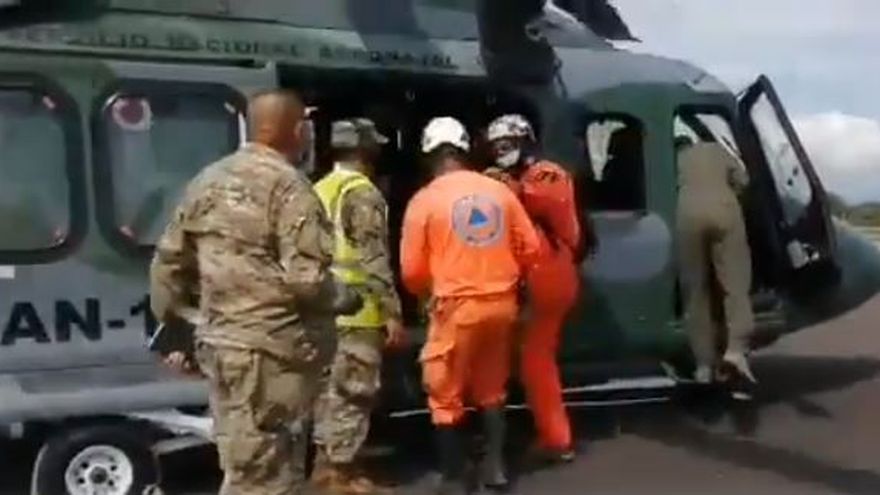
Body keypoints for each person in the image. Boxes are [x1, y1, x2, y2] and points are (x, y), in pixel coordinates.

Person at [150, 89, 359, 495]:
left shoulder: (207, 181)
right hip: (271, 357)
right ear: (296, 130)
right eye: (307, 127)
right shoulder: (290, 188)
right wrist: (346, 297)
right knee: (268, 476)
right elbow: (307, 280)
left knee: (242, 463)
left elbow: (168, 264)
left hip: (221, 349)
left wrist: (177, 330)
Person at [400, 117, 540, 494]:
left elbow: (411, 271)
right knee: (492, 386)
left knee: (444, 391)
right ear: (465, 151)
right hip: (501, 304)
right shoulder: (499, 192)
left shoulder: (424, 200)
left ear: (429, 155)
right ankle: (495, 467)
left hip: (455, 309)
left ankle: (453, 477)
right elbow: (531, 248)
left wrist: (425, 291)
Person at [311, 118, 407, 494]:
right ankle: (340, 476)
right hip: (358, 309)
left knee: (328, 393)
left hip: (321, 310)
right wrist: (391, 311)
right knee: (354, 392)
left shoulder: (317, 189)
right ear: (366, 150)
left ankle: (328, 468)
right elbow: (373, 259)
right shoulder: (362, 193)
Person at [484, 114, 584, 463]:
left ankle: (557, 439)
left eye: (508, 144)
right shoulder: (519, 177)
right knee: (526, 357)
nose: (502, 151)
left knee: (535, 360)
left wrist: (505, 187)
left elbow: (546, 200)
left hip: (548, 273)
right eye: (497, 146)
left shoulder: (546, 173)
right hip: (536, 273)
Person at [675, 137, 756, 400]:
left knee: (694, 291)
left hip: (687, 213)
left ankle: (703, 365)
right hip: (724, 209)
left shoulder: (676, 159)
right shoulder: (717, 149)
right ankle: (735, 350)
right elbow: (743, 181)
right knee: (736, 285)